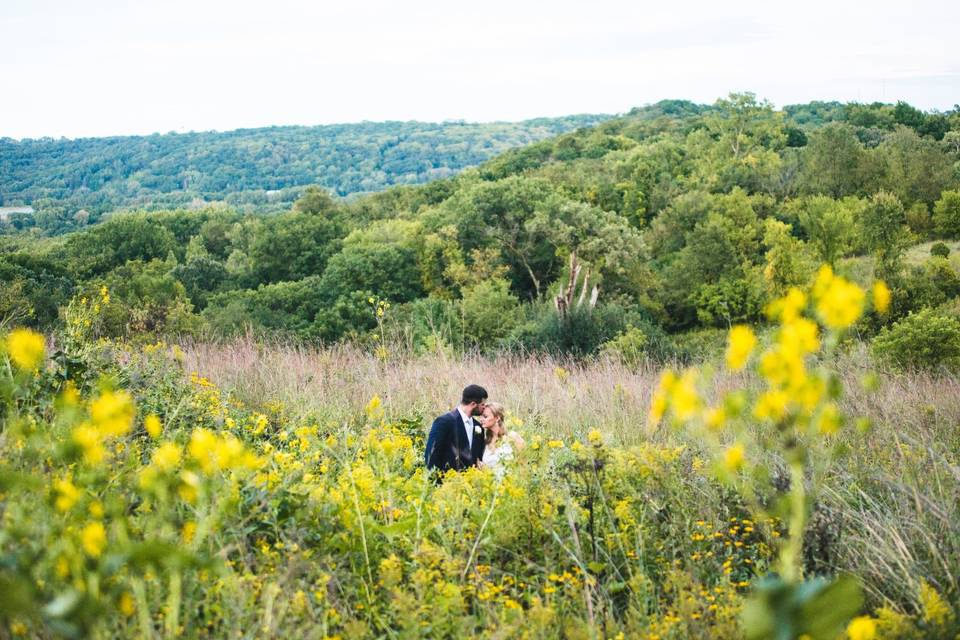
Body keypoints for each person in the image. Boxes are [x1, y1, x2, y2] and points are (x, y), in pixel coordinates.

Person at [425, 384, 488, 474]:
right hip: (447, 481)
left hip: (471, 483)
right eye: (482, 404)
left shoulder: (478, 426)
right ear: (473, 404)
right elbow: (431, 454)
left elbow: (478, 457)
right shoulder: (444, 422)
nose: (484, 407)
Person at [479, 402, 524, 479]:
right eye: (481, 416)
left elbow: (523, 464)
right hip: (490, 487)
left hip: (511, 486)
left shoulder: (512, 437)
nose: (481, 419)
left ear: (497, 418)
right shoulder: (484, 443)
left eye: (485, 416)